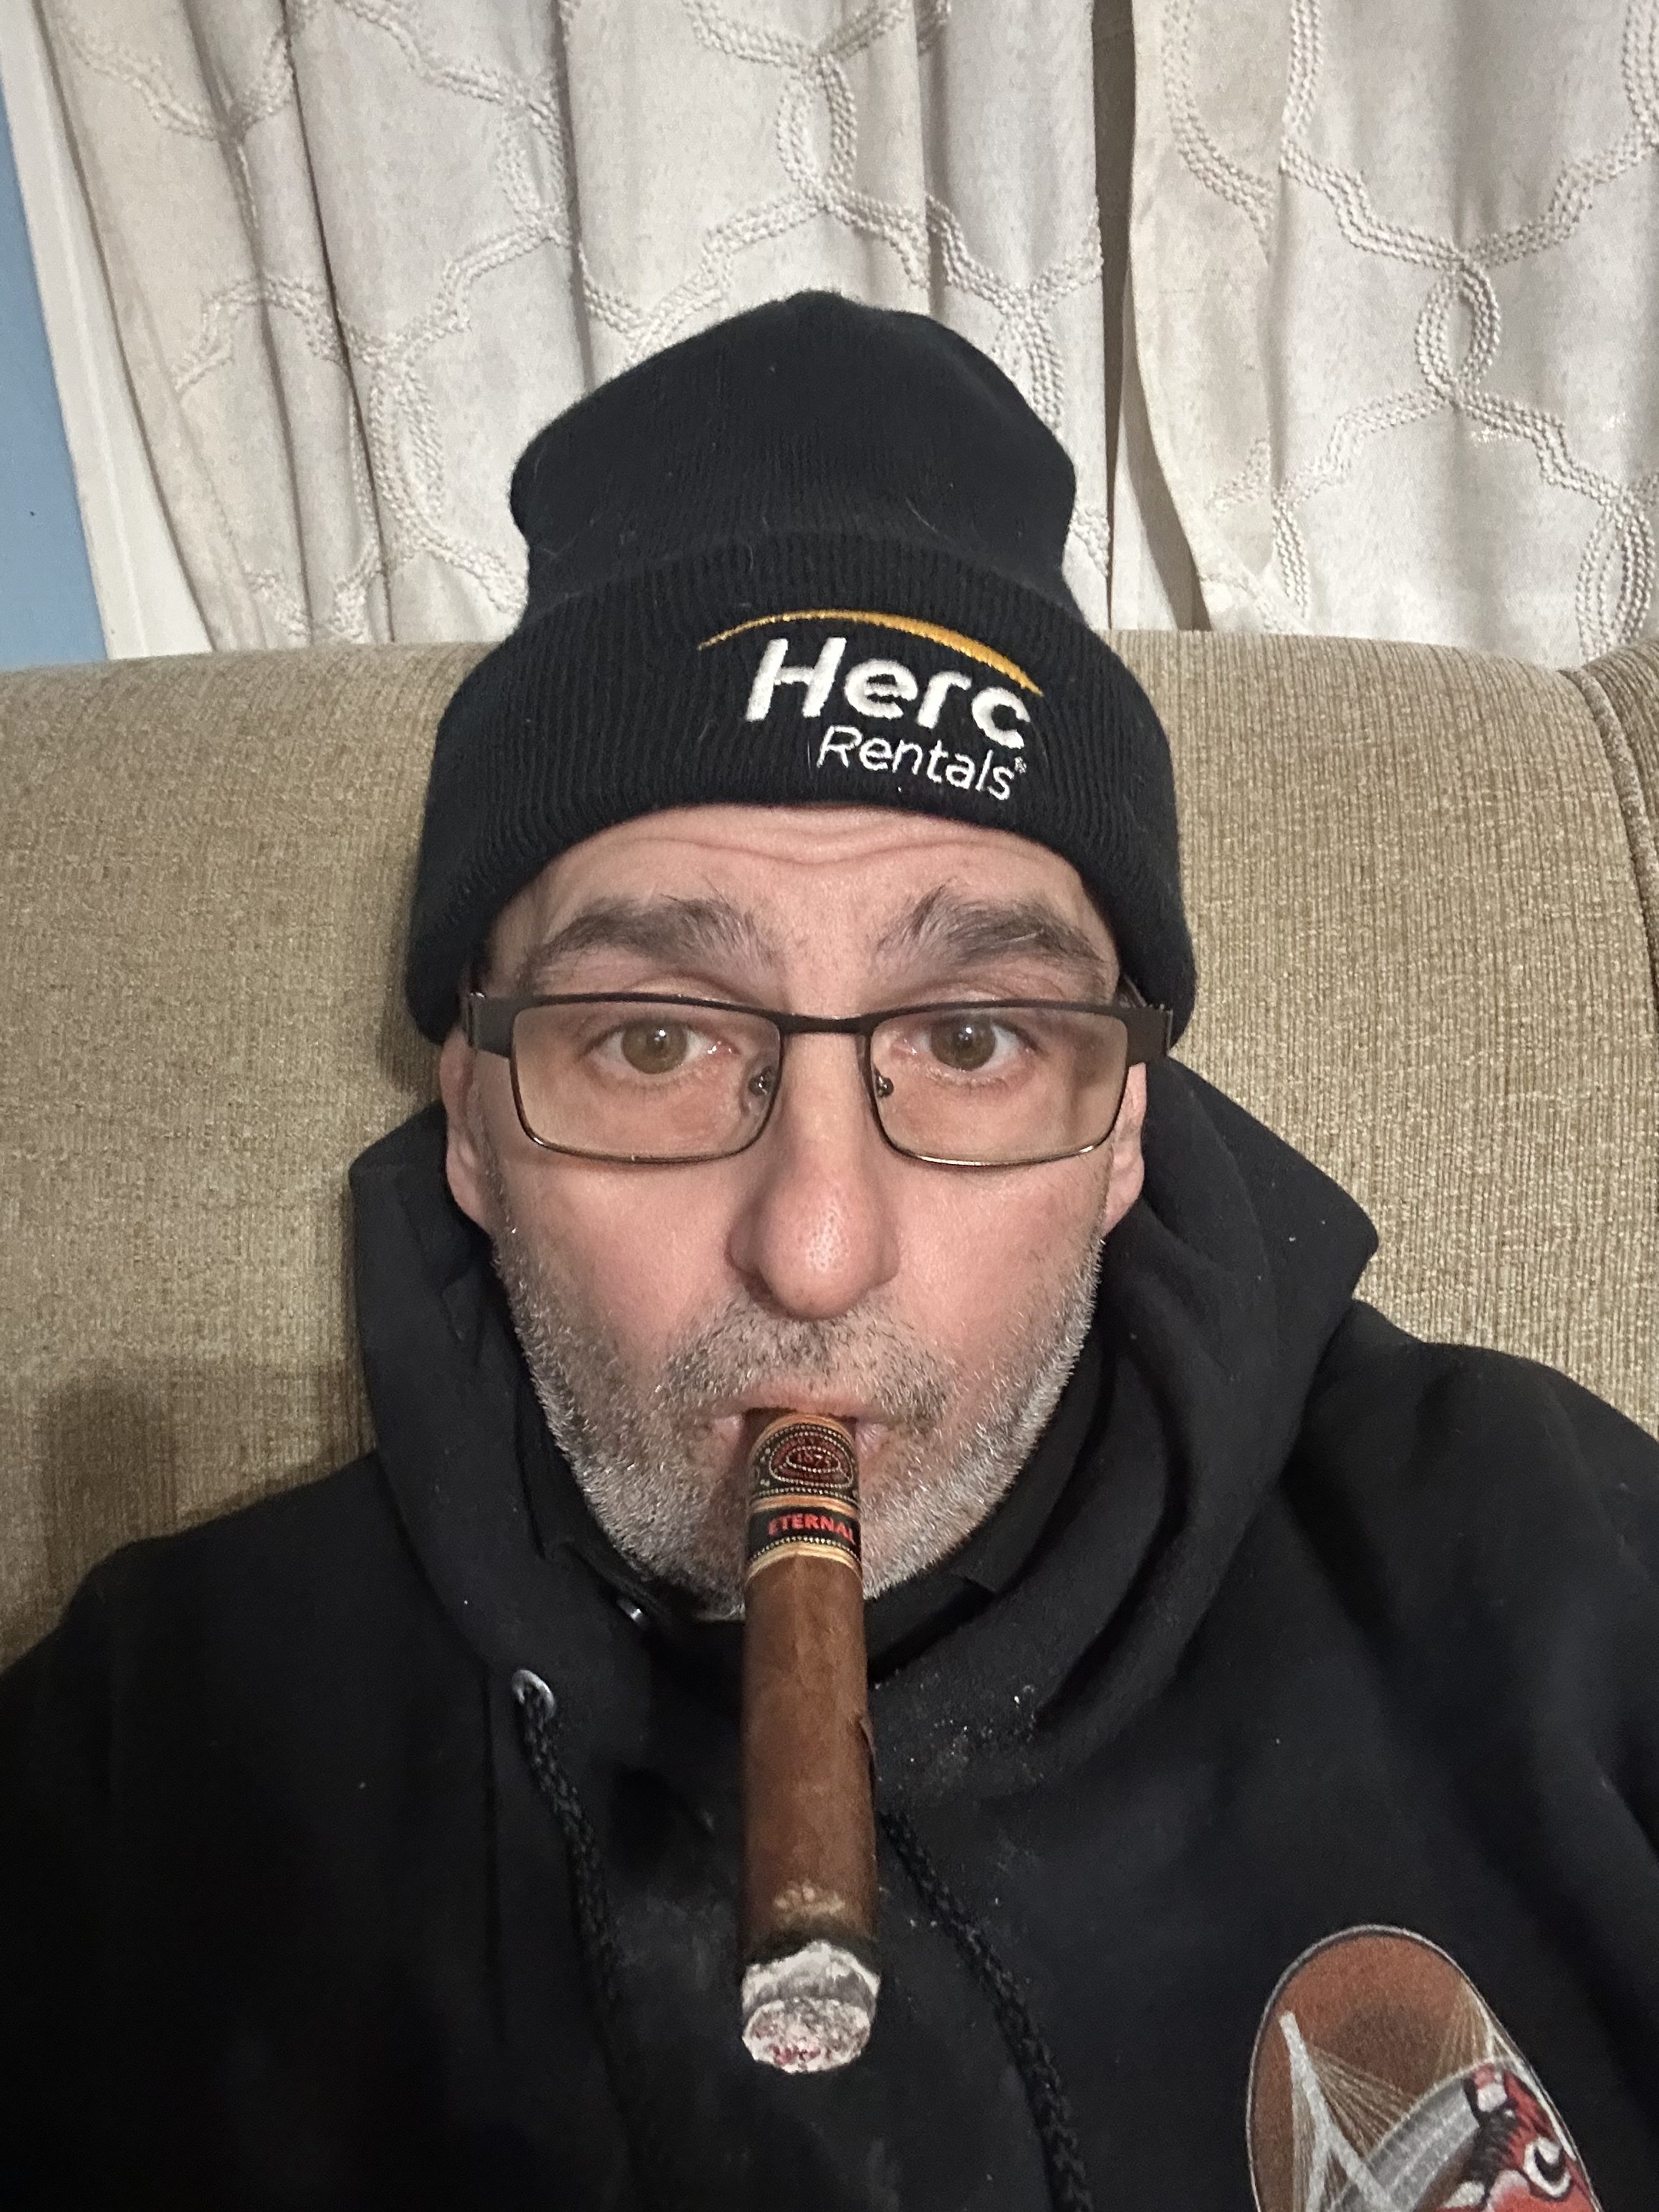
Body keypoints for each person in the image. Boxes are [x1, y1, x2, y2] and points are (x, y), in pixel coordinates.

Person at [1, 293, 1655, 2212]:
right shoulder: (159, 1753)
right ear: (469, 1118)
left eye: (972, 1037)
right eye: (652, 1038)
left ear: (1124, 1122)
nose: (811, 1248)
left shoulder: (1551, 1554)